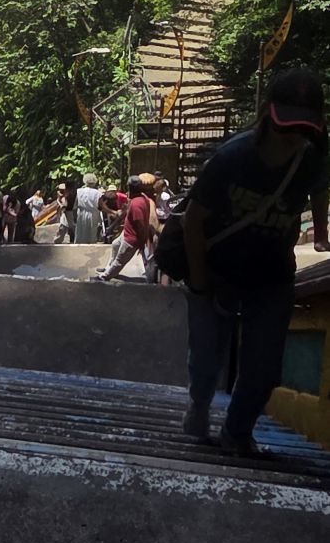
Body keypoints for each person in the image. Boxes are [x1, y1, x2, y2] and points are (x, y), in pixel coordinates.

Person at [182, 66, 330, 456]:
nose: (294, 137)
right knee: (207, 361)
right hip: (216, 272)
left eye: (304, 129)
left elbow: (319, 189)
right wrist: (199, 283)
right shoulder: (232, 158)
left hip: (272, 276)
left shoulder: (312, 160)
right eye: (286, 127)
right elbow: (193, 221)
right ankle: (199, 403)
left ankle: (236, 432)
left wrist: (321, 233)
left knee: (263, 371)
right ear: (267, 115)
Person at [97, 177, 150, 281]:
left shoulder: (136, 204)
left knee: (119, 260)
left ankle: (104, 277)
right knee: (115, 244)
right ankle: (109, 268)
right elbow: (125, 214)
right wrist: (111, 227)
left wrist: (142, 242)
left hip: (132, 238)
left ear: (129, 188)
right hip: (126, 233)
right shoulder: (138, 199)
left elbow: (140, 225)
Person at [74, 173, 100, 244]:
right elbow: (100, 205)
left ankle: (79, 249)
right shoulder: (97, 193)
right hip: (93, 214)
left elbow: (75, 205)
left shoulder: (78, 191)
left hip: (81, 213)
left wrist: (74, 216)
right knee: (91, 233)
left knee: (80, 232)